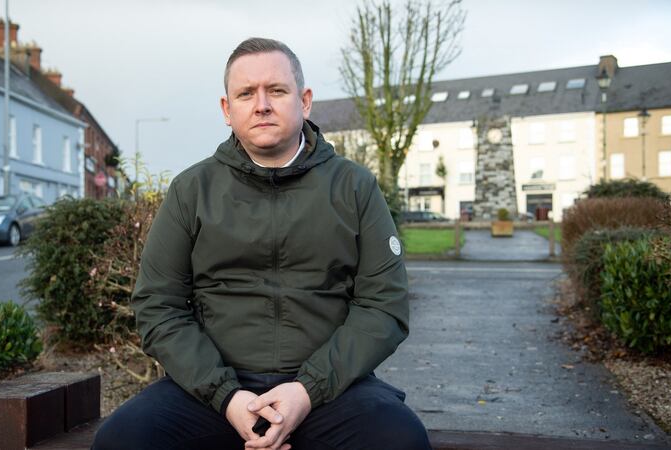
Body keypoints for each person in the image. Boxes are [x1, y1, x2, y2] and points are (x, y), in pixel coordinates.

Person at [93, 37, 432, 450]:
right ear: (226, 109)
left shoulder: (354, 187)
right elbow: (157, 306)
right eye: (246, 93)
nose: (262, 104)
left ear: (304, 101)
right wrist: (227, 397)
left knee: (400, 439)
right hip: (214, 392)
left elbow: (384, 306)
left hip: (330, 390)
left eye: (276, 90)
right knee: (122, 440)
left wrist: (306, 391)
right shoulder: (191, 191)